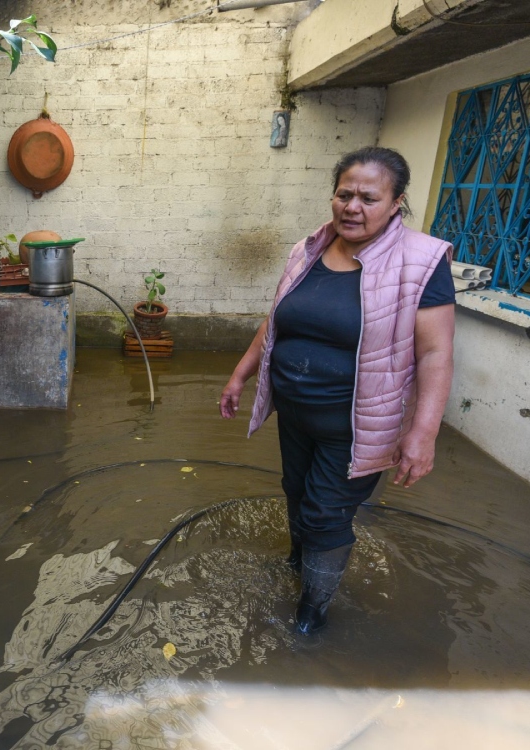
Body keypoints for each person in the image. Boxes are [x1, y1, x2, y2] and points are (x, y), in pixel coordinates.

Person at [219, 147, 456, 635]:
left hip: (357, 425)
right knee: (296, 491)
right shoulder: (307, 250)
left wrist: (424, 432)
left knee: (325, 514)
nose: (353, 206)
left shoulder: (422, 261)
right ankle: (296, 564)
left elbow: (435, 353)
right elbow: (277, 321)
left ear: (396, 203)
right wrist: (240, 373)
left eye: (369, 197)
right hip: (296, 414)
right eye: (344, 193)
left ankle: (312, 613)